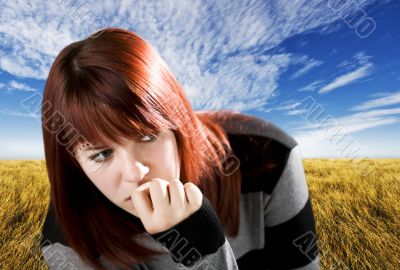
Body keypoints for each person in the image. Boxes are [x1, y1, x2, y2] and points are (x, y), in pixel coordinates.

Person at [39, 27, 320, 270]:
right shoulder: (67, 241)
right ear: (72, 162)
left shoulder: (269, 156)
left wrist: (202, 247)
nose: (135, 173)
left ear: (178, 124)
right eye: (102, 154)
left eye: (147, 136)